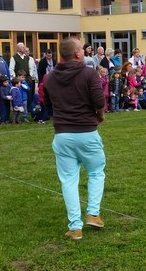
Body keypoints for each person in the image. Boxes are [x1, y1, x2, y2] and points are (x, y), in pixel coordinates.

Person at [43, 37, 107, 241]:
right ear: (78, 54)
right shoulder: (89, 73)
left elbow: (47, 104)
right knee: (96, 172)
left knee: (69, 180)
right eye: (82, 49)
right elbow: (99, 101)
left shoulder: (50, 77)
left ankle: (75, 227)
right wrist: (100, 115)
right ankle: (93, 214)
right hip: (87, 132)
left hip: (62, 134)